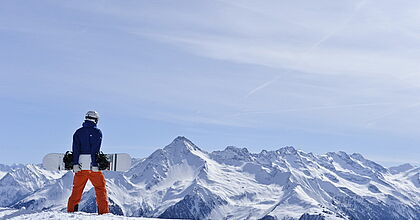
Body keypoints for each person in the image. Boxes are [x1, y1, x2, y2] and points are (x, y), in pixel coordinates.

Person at [67, 110, 109, 214]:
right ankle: (103, 214)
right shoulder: (97, 132)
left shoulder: (78, 132)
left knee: (76, 190)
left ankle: (71, 212)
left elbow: (75, 149)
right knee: (100, 189)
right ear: (96, 120)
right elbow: (95, 150)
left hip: (80, 168)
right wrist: (95, 164)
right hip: (93, 168)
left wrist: (75, 163)